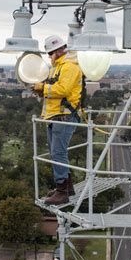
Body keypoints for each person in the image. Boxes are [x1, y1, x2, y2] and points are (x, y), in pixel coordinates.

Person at [32, 35, 83, 205]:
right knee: (57, 153)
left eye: (50, 53)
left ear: (58, 51)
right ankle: (66, 187)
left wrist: (43, 88)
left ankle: (62, 191)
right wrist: (42, 89)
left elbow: (63, 89)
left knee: (58, 153)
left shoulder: (69, 67)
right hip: (55, 115)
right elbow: (53, 88)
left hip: (64, 115)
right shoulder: (57, 67)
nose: (49, 57)